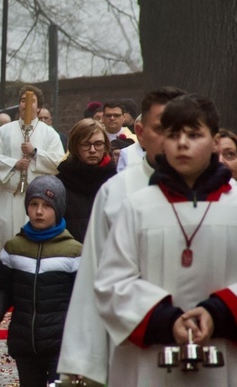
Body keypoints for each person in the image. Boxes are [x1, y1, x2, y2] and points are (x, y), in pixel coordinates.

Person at [95, 94, 237, 385]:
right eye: (173, 134)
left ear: (215, 142)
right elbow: (111, 283)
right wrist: (167, 320)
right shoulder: (137, 207)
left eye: (194, 134)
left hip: (227, 360)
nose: (183, 143)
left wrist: (218, 313)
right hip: (150, 362)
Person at [57, 86, 187, 385]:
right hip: (133, 340)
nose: (174, 139)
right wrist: (83, 360)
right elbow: (95, 276)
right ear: (139, 132)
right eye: (161, 129)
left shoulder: (230, 199)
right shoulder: (116, 193)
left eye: (184, 129)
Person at [0, 176, 81, 387]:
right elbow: (3, 288)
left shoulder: (74, 252)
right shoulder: (13, 248)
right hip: (25, 343)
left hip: (61, 344)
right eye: (33, 204)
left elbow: (83, 301)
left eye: (47, 206)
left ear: (58, 208)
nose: (39, 211)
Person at [0, 85, 64, 275]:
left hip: (37, 201)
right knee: (6, 239)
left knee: (33, 243)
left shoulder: (49, 133)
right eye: (23, 100)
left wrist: (35, 153)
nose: (26, 105)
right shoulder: (4, 131)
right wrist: (14, 163)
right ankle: (3, 286)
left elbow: (59, 162)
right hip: (9, 195)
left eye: (32, 101)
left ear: (39, 107)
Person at [56, 119, 116, 243]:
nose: (92, 150)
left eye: (98, 144)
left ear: (105, 146)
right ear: (75, 146)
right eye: (85, 144)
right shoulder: (61, 183)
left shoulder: (116, 181)